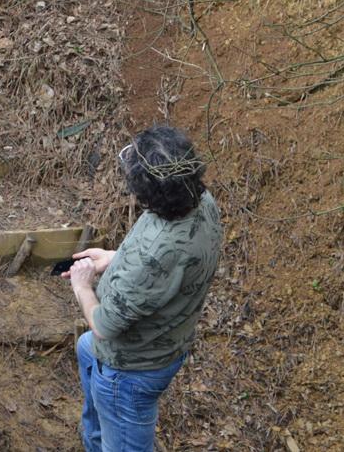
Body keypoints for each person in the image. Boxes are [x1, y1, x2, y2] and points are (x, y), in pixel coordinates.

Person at [65, 126, 224, 452]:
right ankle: (96, 442)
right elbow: (163, 264)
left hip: (131, 370)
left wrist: (82, 286)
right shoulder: (202, 201)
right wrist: (113, 258)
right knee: (86, 350)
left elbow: (105, 325)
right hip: (166, 338)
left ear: (148, 194)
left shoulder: (154, 253)